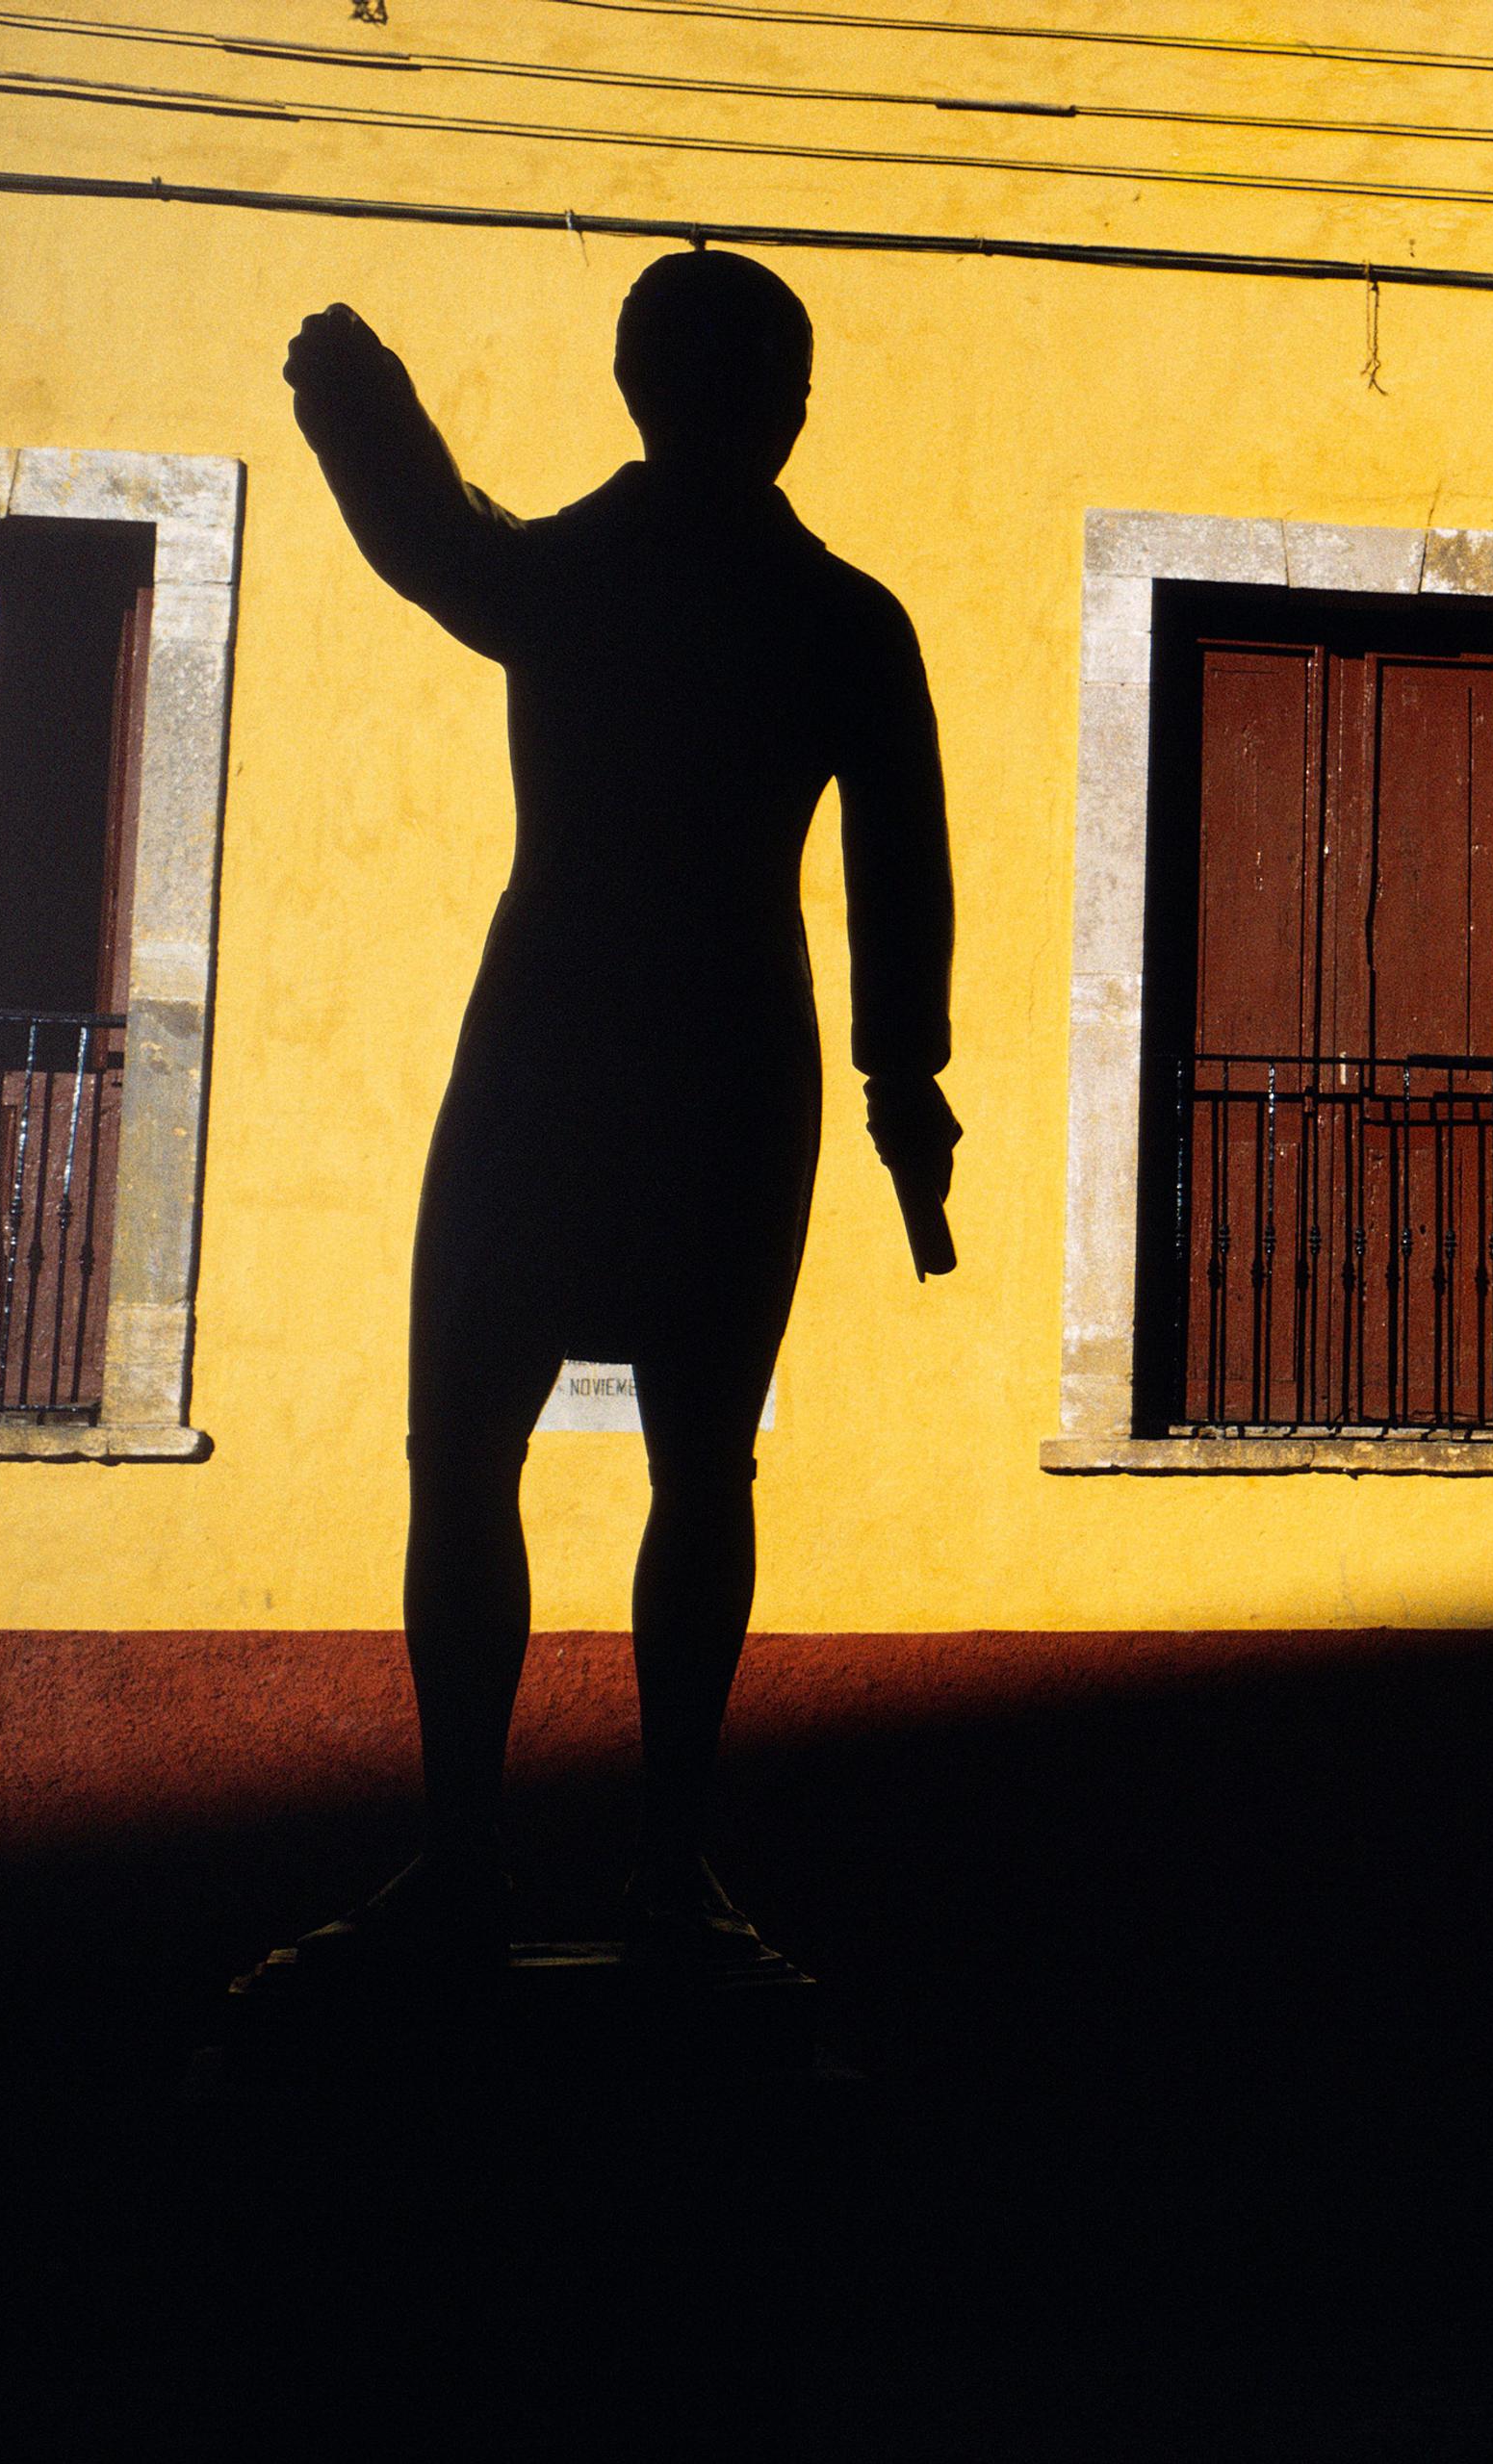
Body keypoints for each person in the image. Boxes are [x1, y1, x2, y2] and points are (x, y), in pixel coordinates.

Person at [278, 250, 957, 1966]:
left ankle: (474, 1854)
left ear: (634, 387)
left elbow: (439, 544)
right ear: (784, 407)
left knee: (472, 1458)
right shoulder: (842, 620)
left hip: (554, 1040)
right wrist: (903, 1083)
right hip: (733, 1053)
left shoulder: (577, 580)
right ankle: (659, 1862)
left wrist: (361, 412)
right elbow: (903, 885)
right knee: (693, 1472)